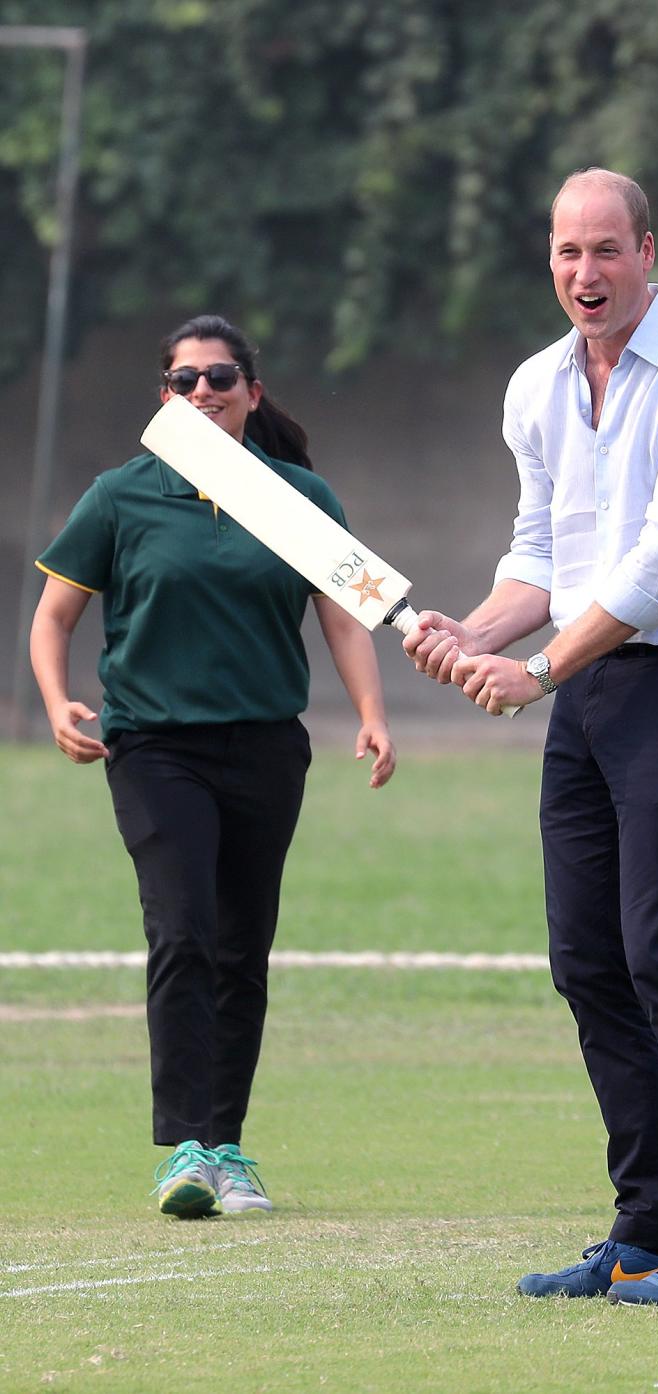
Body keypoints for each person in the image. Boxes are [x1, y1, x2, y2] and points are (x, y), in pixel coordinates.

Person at [404, 169, 658, 1306]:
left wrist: (533, 671)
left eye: (607, 250)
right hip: (587, 687)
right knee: (587, 959)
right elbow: (544, 554)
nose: (586, 273)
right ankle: (647, 1224)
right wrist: (468, 630)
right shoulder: (537, 388)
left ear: (648, 251)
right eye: (569, 252)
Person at [31, 314, 396, 1219]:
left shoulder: (296, 495)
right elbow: (52, 617)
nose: (204, 392)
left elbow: (345, 613)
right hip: (155, 747)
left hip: (267, 747)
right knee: (184, 930)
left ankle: (227, 1146)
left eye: (221, 378)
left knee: (242, 945)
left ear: (251, 393)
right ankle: (183, 1149)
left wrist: (373, 715)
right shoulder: (120, 496)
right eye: (185, 380)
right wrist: (55, 701)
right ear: (166, 397)